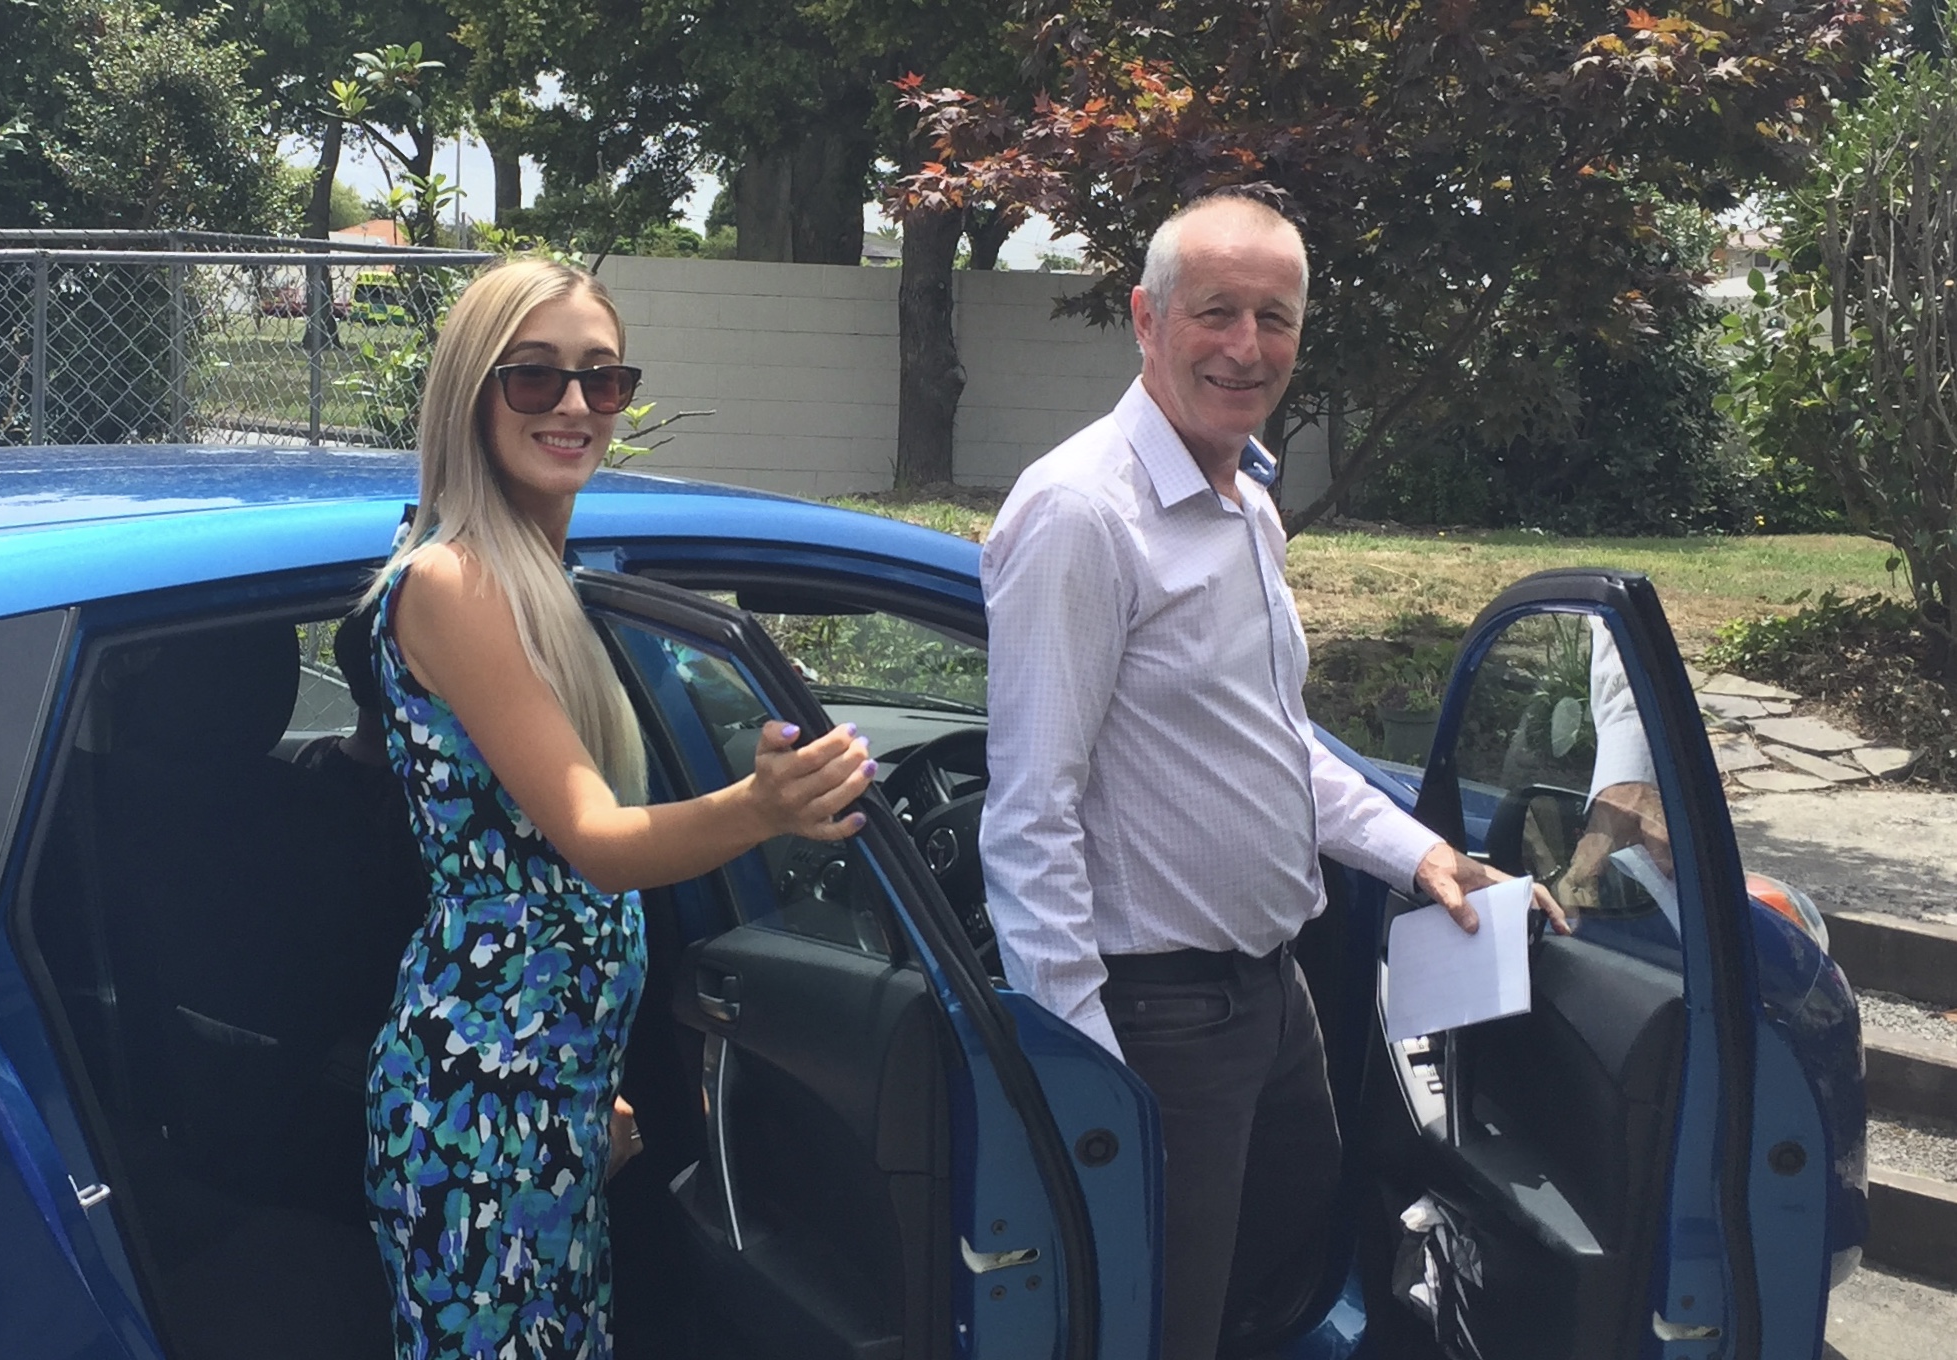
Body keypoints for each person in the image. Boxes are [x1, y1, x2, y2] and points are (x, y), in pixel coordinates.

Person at [979, 188, 1563, 1360]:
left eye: (1275, 318)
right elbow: (1030, 809)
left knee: (1283, 1280)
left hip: (1269, 995)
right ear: (1145, 318)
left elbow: (1276, 742)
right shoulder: (1083, 513)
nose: (1246, 347)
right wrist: (1082, 1069)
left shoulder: (1243, 500)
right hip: (1153, 1018)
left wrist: (1422, 854)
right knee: (1157, 1324)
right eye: (1215, 312)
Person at [358, 256, 875, 1360]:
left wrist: (584, 1087)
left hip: (540, 1083)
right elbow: (595, 846)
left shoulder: (542, 577)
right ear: (470, 393)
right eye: (533, 376)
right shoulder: (457, 582)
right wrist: (762, 803)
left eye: (603, 378)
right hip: (485, 1099)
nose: (575, 405)